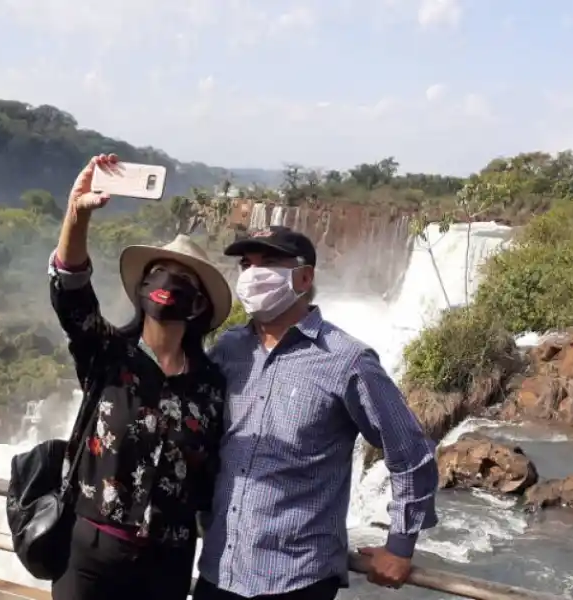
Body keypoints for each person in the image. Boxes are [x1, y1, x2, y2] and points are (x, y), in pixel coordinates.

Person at [194, 226, 439, 600]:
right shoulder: (229, 349)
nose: (253, 275)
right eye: (246, 264)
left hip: (296, 579)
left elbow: (411, 453)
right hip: (219, 569)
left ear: (304, 277)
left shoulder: (347, 360)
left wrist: (400, 546)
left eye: (269, 263)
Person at [48, 153, 232, 600]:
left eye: (183, 279)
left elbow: (213, 478)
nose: (168, 283)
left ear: (199, 305)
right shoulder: (109, 354)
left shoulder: (211, 386)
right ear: (142, 288)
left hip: (167, 564)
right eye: (159, 273)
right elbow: (70, 290)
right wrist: (77, 213)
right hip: (91, 555)